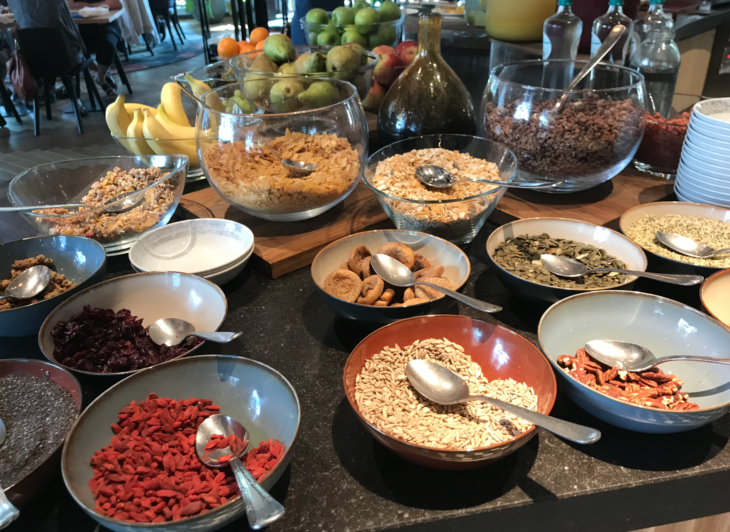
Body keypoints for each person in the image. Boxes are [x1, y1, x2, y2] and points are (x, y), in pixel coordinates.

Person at [67, 0, 123, 96]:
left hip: (106, 25)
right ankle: (93, 66)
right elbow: (67, 5)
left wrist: (88, 5)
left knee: (107, 44)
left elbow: (117, 4)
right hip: (81, 28)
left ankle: (100, 78)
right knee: (70, 43)